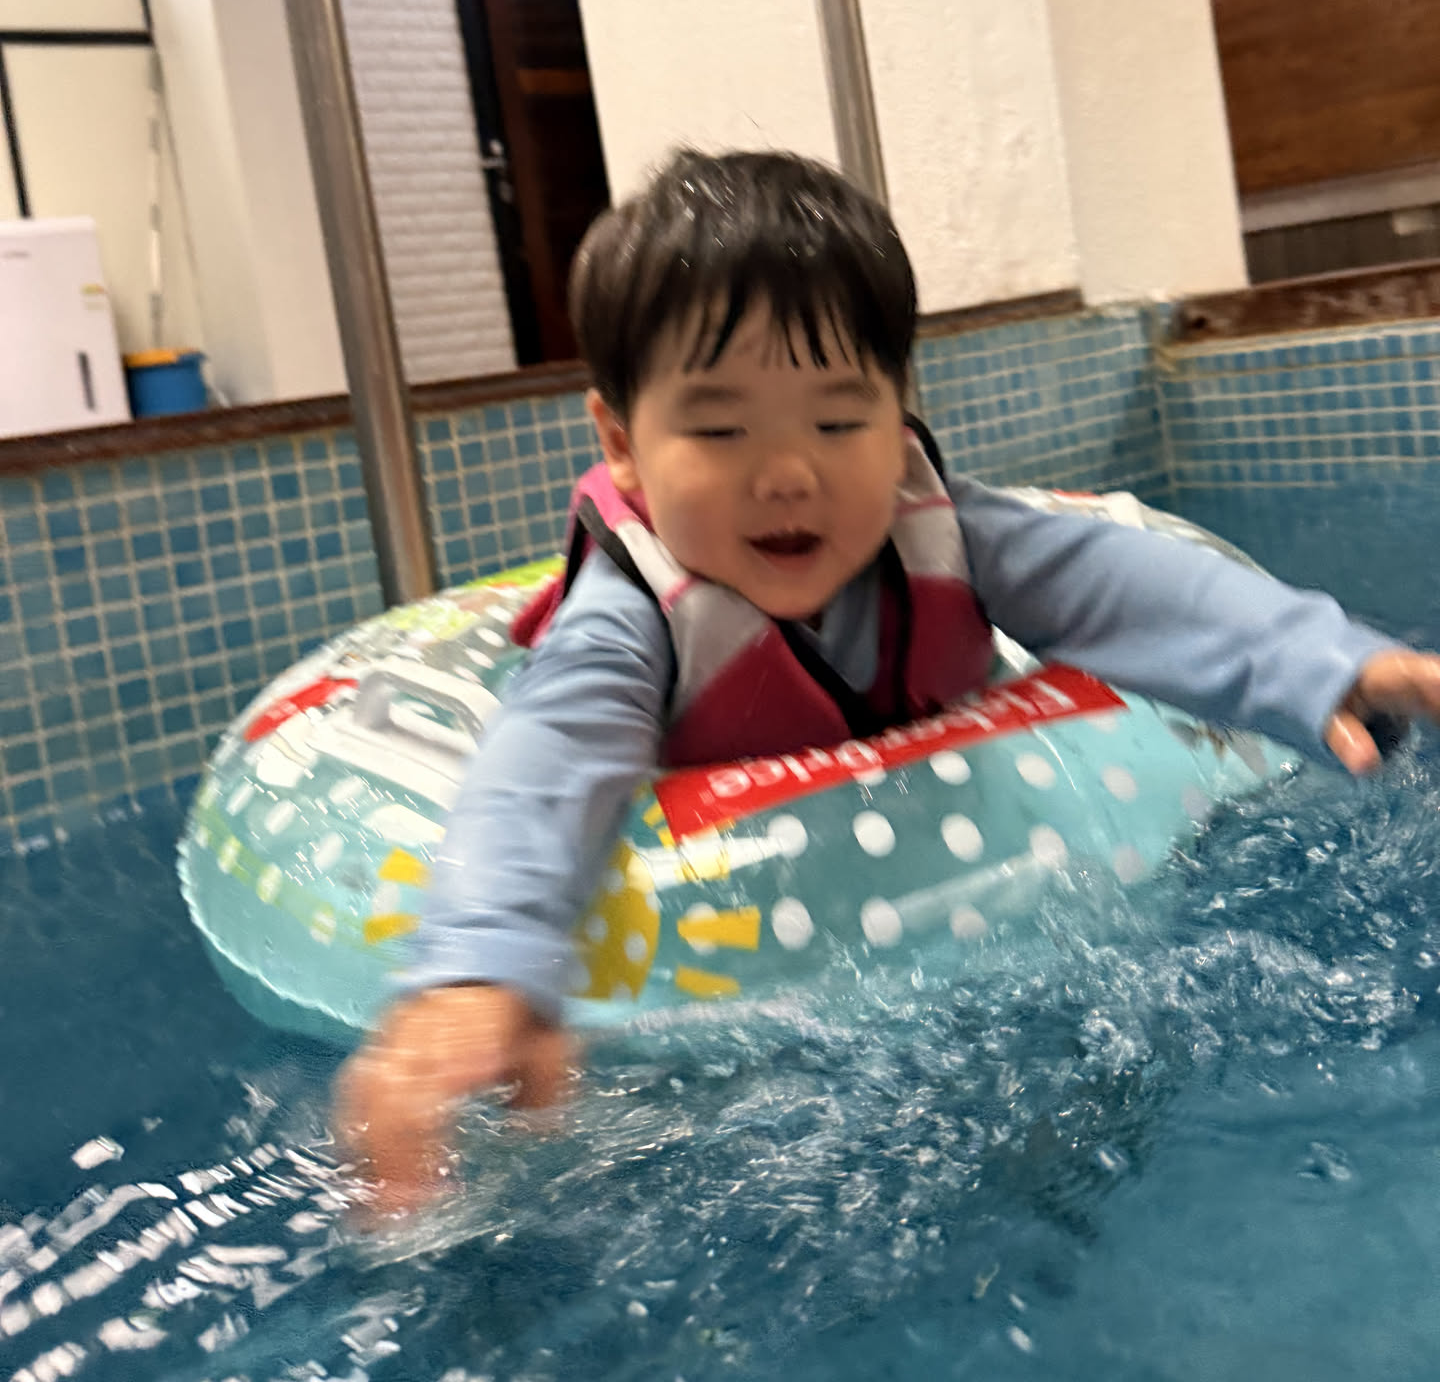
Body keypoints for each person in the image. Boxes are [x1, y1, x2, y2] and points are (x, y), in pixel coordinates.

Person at [335, 149, 1440, 1212]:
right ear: (621, 444)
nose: (788, 473)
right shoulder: (631, 617)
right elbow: (547, 760)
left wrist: (1319, 661)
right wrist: (482, 965)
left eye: (838, 419)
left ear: (901, 409)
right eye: (719, 428)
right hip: (746, 989)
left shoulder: (943, 533)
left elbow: (1129, 586)